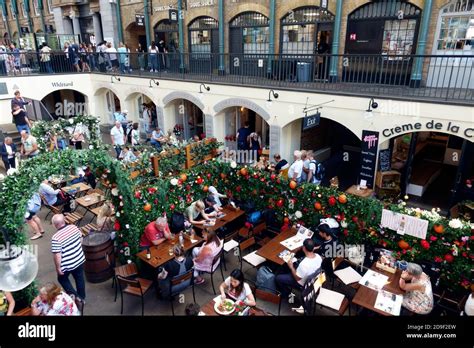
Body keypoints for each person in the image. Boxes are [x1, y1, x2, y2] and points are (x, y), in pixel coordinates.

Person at [51, 214, 86, 301]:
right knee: (79, 278)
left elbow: (57, 255)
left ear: (54, 225)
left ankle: (75, 298)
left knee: (62, 279)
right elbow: (81, 239)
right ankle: (82, 298)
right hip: (79, 259)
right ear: (64, 221)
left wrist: (58, 268)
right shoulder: (74, 227)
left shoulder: (56, 238)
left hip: (67, 265)